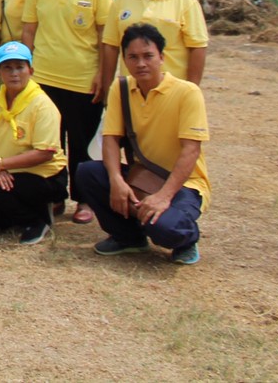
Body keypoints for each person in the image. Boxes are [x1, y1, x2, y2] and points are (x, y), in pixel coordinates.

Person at [76, 23, 210, 264]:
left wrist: (164, 196)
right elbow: (111, 139)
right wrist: (116, 181)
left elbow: (191, 150)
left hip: (184, 184)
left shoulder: (187, 93)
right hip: (142, 178)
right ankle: (128, 238)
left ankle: (187, 238)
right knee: (88, 172)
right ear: (125, 60)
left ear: (162, 57)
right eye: (133, 57)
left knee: (165, 229)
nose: (141, 64)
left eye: (148, 56)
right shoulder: (122, 87)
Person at [20, 0, 112, 226]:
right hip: (44, 78)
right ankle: (56, 196)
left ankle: (85, 200)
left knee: (82, 142)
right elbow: (29, 32)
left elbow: (104, 36)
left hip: (84, 79)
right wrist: (25, 71)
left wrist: (103, 74)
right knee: (50, 143)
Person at [0, 41, 67, 245]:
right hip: (5, 171)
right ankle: (16, 211)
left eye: (20, 67)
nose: (14, 73)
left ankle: (36, 221)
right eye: (7, 67)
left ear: (30, 70)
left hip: (43, 175)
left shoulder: (42, 104)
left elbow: (45, 152)